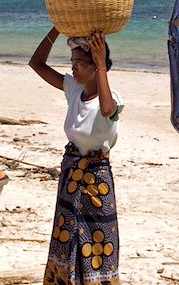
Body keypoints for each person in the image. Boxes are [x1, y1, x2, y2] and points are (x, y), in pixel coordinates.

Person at [29, 27, 123, 285]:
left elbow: (106, 108)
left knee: (98, 242)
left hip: (96, 183)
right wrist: (56, 30)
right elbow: (36, 63)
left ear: (96, 66)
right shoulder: (73, 90)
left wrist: (102, 63)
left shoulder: (112, 98)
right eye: (72, 62)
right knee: (66, 238)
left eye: (80, 63)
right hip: (70, 179)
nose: (73, 68)